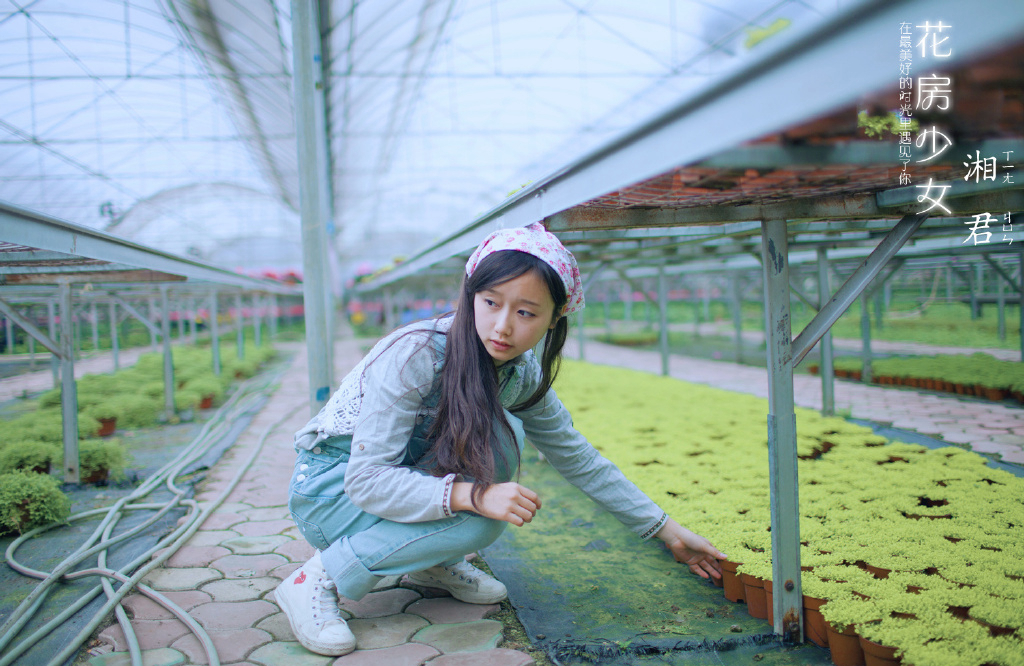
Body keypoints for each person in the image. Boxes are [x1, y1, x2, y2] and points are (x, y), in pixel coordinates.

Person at [275, 223, 726, 656]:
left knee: (499, 441)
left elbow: (577, 457)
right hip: (330, 492)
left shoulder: (521, 373)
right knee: (482, 515)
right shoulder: (416, 354)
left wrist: (665, 529)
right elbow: (367, 480)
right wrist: (473, 494)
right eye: (491, 302)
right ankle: (317, 578)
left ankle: (431, 559)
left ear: (555, 320)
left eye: (526, 312)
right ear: (472, 296)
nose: (503, 326)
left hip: (397, 488)